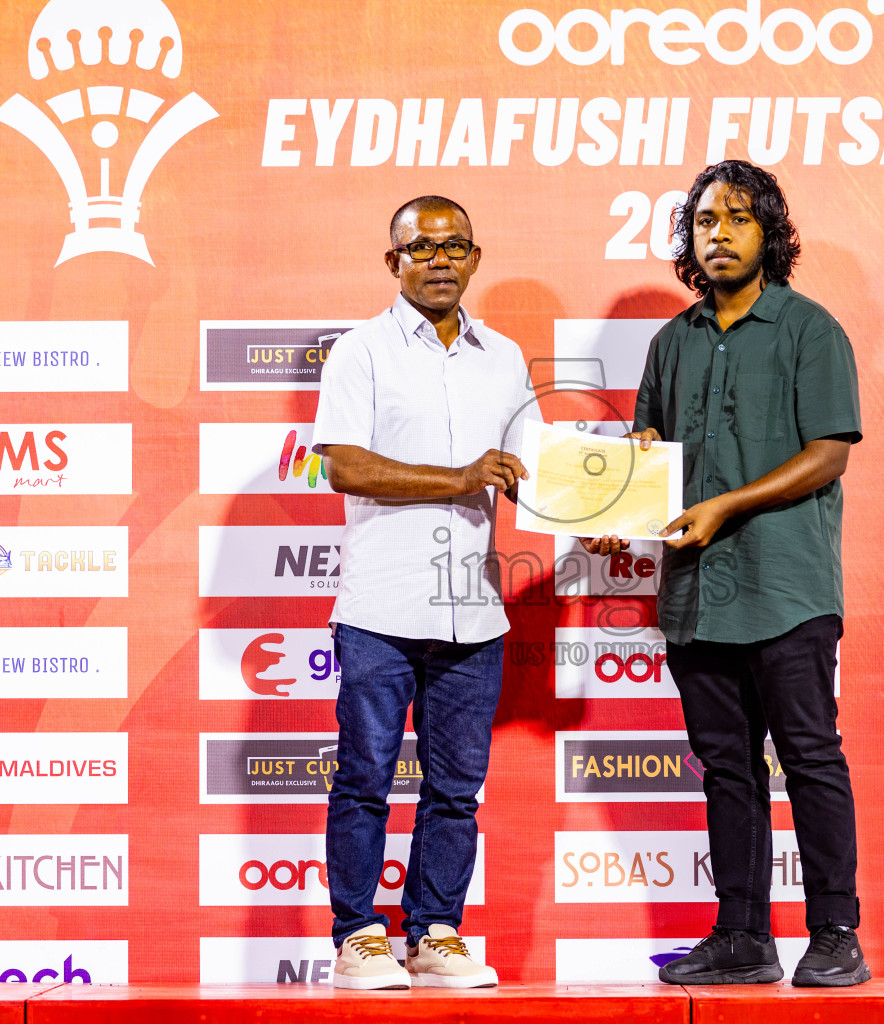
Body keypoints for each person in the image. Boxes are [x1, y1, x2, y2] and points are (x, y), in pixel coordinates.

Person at [586, 160, 868, 987]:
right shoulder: (670, 341)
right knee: (728, 770)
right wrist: (617, 521)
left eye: (738, 219)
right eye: (705, 222)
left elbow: (828, 454)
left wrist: (725, 506)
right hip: (697, 595)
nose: (719, 235)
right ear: (689, 239)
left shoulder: (809, 328)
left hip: (787, 586)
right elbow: (647, 459)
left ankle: (835, 931)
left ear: (768, 233)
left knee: (811, 756)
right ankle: (742, 935)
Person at [310, 195, 531, 990]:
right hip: (380, 608)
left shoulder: (503, 357)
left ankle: (436, 931)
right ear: (393, 261)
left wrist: (605, 513)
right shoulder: (360, 353)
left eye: (455, 246)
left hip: (472, 609)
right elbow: (345, 466)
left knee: (456, 792)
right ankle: (357, 932)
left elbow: (528, 471)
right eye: (422, 246)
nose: (440, 259)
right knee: (365, 778)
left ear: (476, 258)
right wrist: (460, 477)